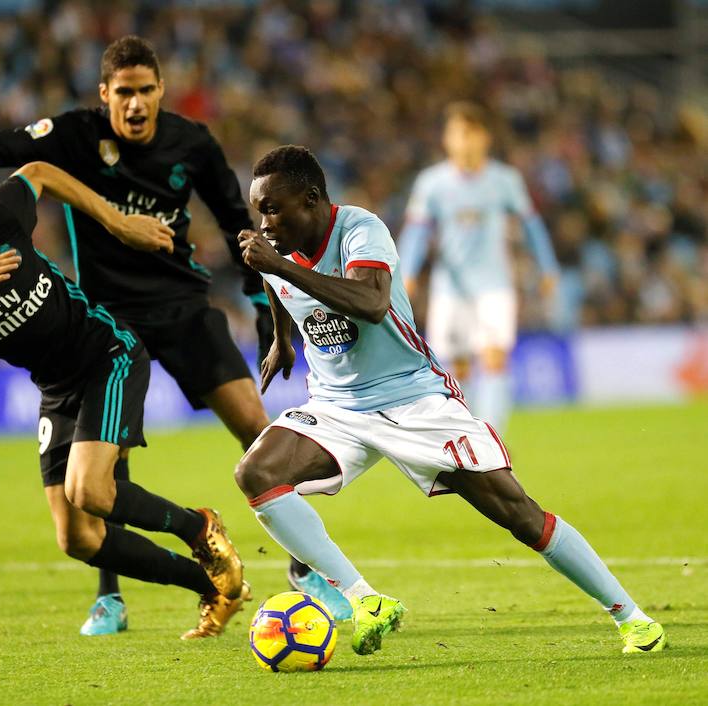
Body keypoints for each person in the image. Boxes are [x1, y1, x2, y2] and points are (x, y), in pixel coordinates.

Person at [0, 34, 349, 628]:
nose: (135, 103)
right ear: (106, 95)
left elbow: (232, 216)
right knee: (86, 509)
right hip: (94, 330)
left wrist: (257, 297)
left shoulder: (188, 142)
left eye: (146, 90)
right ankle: (136, 591)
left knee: (248, 428)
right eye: (124, 92)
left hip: (161, 315)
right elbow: (11, 148)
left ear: (161, 92)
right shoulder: (75, 137)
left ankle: (310, 567)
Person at [235, 144, 666, 656]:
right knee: (255, 474)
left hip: (415, 401)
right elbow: (276, 284)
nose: (263, 223)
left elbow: (371, 304)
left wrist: (279, 270)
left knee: (519, 514)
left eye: (272, 209)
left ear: (310, 200)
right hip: (337, 407)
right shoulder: (276, 249)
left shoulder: (360, 229)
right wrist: (283, 340)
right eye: (258, 210)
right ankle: (365, 599)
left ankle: (632, 618)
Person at [0, 161, 249, 639]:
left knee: (91, 491)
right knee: (76, 537)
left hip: (107, 354)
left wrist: (117, 222)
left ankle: (198, 528)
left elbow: (38, 172)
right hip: (56, 387)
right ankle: (210, 586)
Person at [397, 101, 559, 433]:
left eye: (470, 133)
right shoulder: (432, 183)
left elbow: (531, 224)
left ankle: (492, 438)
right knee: (456, 365)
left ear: (484, 137)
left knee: (494, 356)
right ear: (446, 139)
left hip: (494, 285)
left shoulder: (504, 179)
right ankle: (466, 435)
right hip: (450, 289)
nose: (464, 141)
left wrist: (548, 266)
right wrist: (406, 274)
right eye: (457, 133)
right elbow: (415, 232)